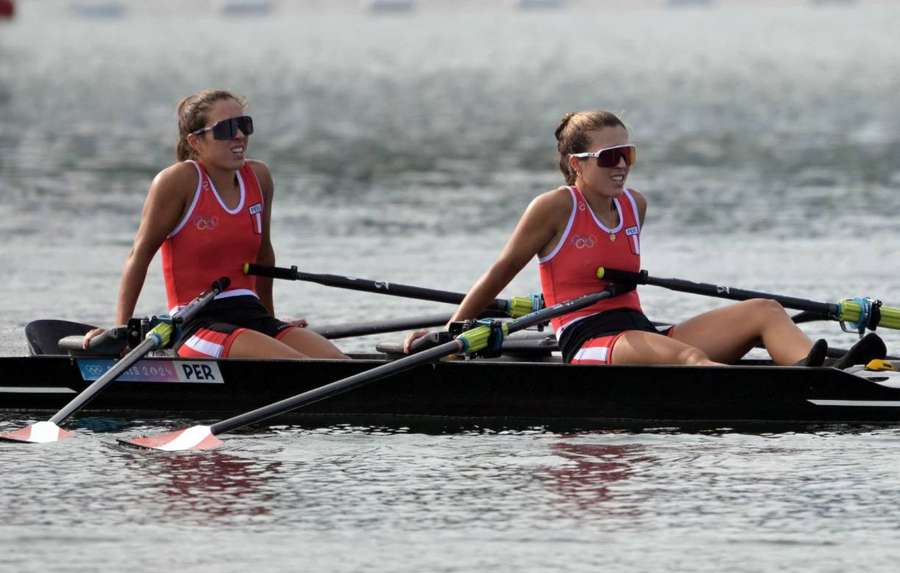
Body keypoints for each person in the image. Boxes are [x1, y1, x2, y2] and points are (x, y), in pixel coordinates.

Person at [404, 110, 885, 368]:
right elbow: (502, 270)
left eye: (627, 154)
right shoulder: (554, 207)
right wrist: (454, 331)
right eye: (609, 156)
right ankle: (764, 389)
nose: (621, 166)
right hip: (587, 343)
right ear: (578, 163)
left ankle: (820, 372)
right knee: (684, 357)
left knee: (764, 310)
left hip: (640, 332)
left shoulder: (636, 205)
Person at [84, 89, 347, 360]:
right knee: (302, 368)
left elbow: (264, 256)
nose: (239, 135)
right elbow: (139, 256)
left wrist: (272, 323)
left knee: (341, 366)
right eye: (226, 129)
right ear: (195, 141)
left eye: (244, 125)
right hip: (196, 324)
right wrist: (122, 330)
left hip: (252, 314)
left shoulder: (259, 177)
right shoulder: (179, 181)